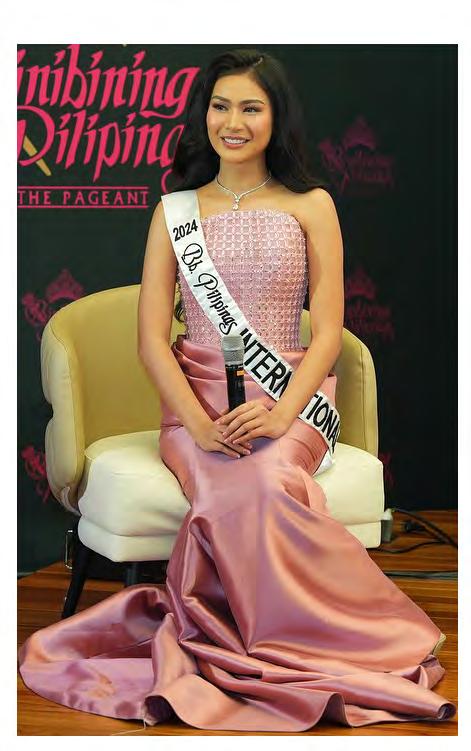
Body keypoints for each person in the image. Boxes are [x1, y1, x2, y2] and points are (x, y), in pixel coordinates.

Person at [18, 48, 455, 732]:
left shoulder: (311, 204)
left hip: (292, 401)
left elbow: (330, 331)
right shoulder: (176, 212)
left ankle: (287, 643)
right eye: (220, 106)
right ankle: (256, 644)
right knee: (227, 481)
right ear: (204, 115)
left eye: (251, 107)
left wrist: (282, 415)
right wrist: (196, 423)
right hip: (196, 406)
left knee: (269, 479)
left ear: (276, 117)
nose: (233, 121)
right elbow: (150, 340)